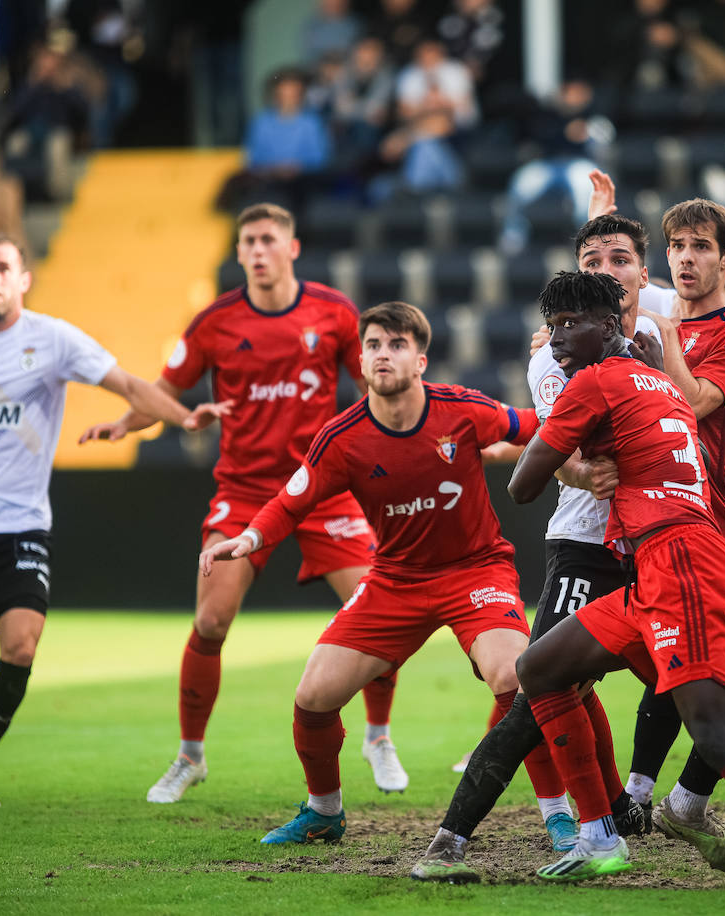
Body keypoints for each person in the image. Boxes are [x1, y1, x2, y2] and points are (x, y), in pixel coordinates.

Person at [503, 270, 725, 913]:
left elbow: (524, 486)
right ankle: (598, 838)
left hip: (680, 569)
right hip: (676, 564)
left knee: (720, 735)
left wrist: (560, 436)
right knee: (539, 668)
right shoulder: (661, 381)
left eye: (571, 324)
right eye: (552, 324)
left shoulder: (592, 382)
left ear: (611, 324)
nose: (558, 338)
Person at [199, 301, 556, 845]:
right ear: (361, 361)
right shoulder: (342, 437)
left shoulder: (460, 409)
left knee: (514, 675)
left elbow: (538, 427)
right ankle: (323, 812)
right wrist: (248, 538)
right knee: (313, 696)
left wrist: (582, 460)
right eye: (372, 345)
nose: (382, 354)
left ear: (420, 361)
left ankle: (557, 815)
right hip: (394, 580)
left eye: (396, 345)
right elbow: (291, 501)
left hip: (474, 572)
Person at [85, 204, 400, 804]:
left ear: (292, 247)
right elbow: (165, 390)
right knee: (210, 621)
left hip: (321, 489)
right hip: (245, 494)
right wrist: (127, 422)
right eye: (247, 241)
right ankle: (190, 756)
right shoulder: (215, 323)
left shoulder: (333, 312)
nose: (256, 250)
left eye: (267, 240)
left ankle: (379, 737)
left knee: (378, 613)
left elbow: (374, 394)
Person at [0, 235, 213, 807]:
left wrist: (185, 416)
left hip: (20, 526)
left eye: (3, 268)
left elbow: (132, 386)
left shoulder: (55, 340)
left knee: (20, 647)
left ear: (25, 279)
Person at [410, 214, 664, 879]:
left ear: (643, 273)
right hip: (586, 542)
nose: (607, 268)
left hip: (661, 542)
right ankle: (489, 833)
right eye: (592, 258)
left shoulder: (662, 338)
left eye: (620, 258)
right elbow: (571, 455)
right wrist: (580, 467)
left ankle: (651, 807)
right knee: (547, 682)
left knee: (721, 686)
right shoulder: (556, 357)